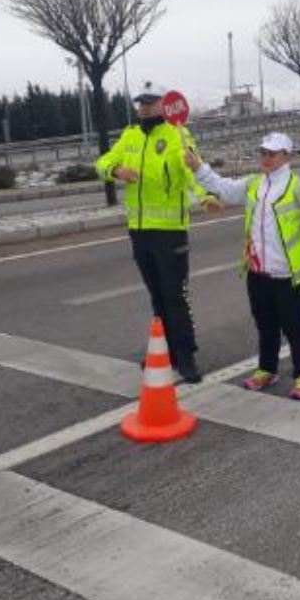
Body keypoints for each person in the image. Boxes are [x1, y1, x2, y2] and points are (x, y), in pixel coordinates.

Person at [185, 132, 300, 400]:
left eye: (272, 154)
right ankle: (267, 370)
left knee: (294, 326)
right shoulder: (254, 183)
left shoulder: (297, 186)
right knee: (265, 326)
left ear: (286, 156)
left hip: (291, 275)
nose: (266, 158)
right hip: (258, 273)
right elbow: (223, 187)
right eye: (263, 152)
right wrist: (198, 167)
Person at [95, 81, 214, 383]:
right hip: (139, 231)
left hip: (170, 231)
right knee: (157, 296)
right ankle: (165, 351)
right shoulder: (130, 136)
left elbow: (191, 170)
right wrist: (115, 171)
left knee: (176, 296)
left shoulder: (177, 135)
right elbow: (102, 162)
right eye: (140, 102)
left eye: (150, 102)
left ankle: (186, 357)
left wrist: (205, 196)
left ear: (164, 104)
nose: (144, 107)